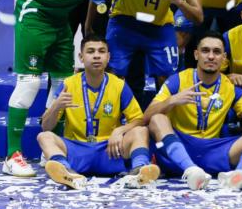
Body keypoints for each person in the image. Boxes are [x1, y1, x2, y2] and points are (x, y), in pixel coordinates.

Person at [4, 0, 129, 177]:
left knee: (62, 87)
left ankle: (52, 152)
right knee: (30, 83)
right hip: (35, 15)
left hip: (60, 20)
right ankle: (12, 155)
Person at [144, 31, 242, 190]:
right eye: (205, 51)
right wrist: (172, 101)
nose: (210, 56)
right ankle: (190, 170)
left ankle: (238, 176)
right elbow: (147, 116)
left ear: (224, 58)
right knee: (157, 119)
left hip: (212, 151)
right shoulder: (178, 80)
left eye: (216, 52)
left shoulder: (231, 88)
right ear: (196, 54)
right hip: (181, 147)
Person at [37, 35, 160, 189]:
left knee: (140, 131)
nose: (96, 55)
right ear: (81, 57)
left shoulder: (119, 85)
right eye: (90, 51)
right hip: (77, 149)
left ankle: (138, 171)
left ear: (108, 57)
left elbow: (139, 120)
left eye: (101, 51)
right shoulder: (68, 84)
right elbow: (46, 127)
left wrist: (119, 131)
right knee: (44, 137)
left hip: (109, 150)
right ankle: (67, 171)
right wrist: (56, 106)